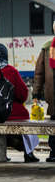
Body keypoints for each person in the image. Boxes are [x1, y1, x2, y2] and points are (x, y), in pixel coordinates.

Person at [0, 44, 39, 162]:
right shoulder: (11, 71)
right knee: (24, 115)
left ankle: (3, 150)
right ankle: (29, 154)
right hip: (11, 113)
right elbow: (23, 94)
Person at [33, 22, 55, 162]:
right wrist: (36, 93)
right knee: (53, 127)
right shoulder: (47, 47)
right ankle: (54, 153)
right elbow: (39, 73)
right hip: (53, 95)